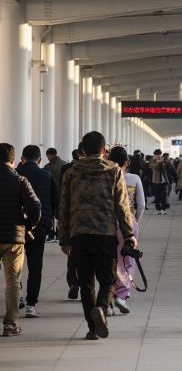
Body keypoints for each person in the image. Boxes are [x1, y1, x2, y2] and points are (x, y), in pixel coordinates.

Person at [58, 131, 136, 340]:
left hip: (79, 235)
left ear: (82, 150)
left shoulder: (71, 172)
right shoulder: (113, 171)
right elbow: (122, 205)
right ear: (104, 151)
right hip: (105, 234)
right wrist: (129, 234)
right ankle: (101, 307)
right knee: (108, 279)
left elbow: (63, 207)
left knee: (86, 283)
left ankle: (92, 329)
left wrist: (63, 238)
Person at [0, 143, 41, 337]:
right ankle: (10, 324)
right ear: (14, 160)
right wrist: (29, 225)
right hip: (14, 238)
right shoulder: (20, 180)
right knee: (13, 281)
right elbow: (35, 205)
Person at [16, 145, 58, 319]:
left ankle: (16, 297)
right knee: (35, 266)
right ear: (39, 159)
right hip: (38, 227)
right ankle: (31, 305)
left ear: (22, 158)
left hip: (15, 227)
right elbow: (55, 201)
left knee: (14, 267)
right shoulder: (47, 175)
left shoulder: (14, 175)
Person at [108, 147, 145, 316]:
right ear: (126, 162)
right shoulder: (134, 178)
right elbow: (142, 204)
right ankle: (121, 295)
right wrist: (135, 220)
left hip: (107, 222)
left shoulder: (106, 176)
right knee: (126, 258)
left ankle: (106, 300)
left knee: (107, 260)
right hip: (128, 222)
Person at [60, 146, 83, 299]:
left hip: (74, 223)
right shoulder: (109, 170)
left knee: (73, 258)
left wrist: (63, 236)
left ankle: (74, 283)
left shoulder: (68, 170)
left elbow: (64, 201)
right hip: (100, 226)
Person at [149, 150, 170, 215]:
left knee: (164, 196)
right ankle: (158, 209)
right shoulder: (153, 160)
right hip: (156, 181)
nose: (158, 156)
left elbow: (169, 167)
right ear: (155, 155)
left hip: (163, 181)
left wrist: (166, 161)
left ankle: (163, 209)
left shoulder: (163, 160)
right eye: (157, 154)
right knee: (157, 196)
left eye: (159, 154)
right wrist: (159, 162)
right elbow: (154, 167)